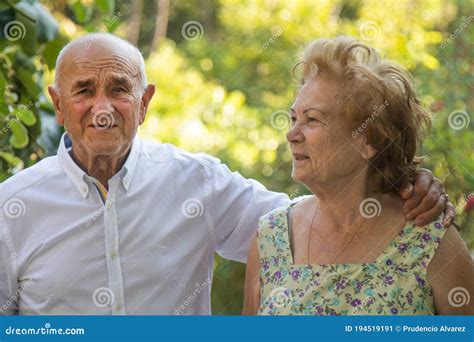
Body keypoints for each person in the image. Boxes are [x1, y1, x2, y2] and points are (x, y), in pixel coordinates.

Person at [0, 33, 452, 315]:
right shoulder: (11, 207)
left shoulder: (198, 183)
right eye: (84, 91)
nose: (102, 108)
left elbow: (316, 222)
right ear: (58, 105)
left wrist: (397, 184)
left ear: (144, 103)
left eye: (119, 89)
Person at [243, 36, 473, 315]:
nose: (291, 134)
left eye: (312, 119)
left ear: (368, 140)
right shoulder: (270, 238)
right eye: (294, 118)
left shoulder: (429, 238)